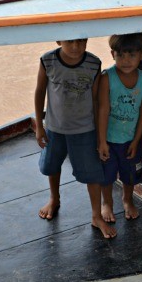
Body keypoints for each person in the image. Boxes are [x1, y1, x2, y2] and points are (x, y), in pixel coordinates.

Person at [34, 39, 117, 238]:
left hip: (85, 129)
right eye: (70, 41)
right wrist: (39, 126)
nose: (76, 47)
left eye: (81, 41)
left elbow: (97, 101)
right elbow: (39, 93)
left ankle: (96, 215)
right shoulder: (48, 61)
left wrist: (100, 137)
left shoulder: (93, 64)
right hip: (55, 128)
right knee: (51, 165)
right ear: (59, 40)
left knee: (92, 173)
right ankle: (54, 198)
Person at [97, 33, 142, 222]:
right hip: (109, 140)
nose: (126, 61)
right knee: (106, 176)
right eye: (121, 55)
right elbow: (102, 110)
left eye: (131, 55)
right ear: (112, 54)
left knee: (130, 175)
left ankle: (127, 200)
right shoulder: (107, 78)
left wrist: (137, 140)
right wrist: (102, 141)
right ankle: (107, 203)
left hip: (130, 140)